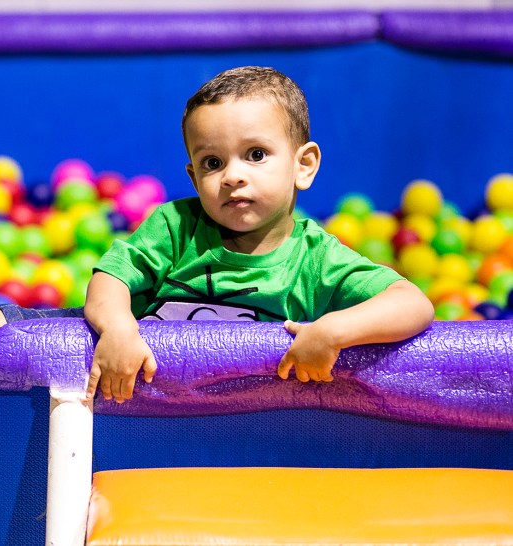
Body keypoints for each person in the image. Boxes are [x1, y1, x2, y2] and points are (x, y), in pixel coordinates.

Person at [83, 66, 434, 403]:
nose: (232, 176)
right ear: (194, 179)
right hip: (153, 412)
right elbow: (110, 278)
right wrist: (118, 329)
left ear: (303, 165)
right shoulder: (175, 227)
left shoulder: (315, 260)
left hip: (256, 421)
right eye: (212, 163)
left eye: (256, 154)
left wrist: (333, 330)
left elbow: (412, 303)